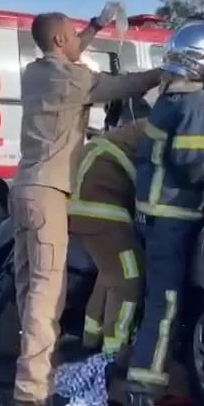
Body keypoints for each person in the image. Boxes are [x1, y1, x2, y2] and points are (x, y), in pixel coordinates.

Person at [9, 5, 162, 406]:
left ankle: (32, 367)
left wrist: (97, 25)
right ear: (60, 39)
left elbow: (71, 51)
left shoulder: (35, 73)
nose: (79, 41)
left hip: (20, 188)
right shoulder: (73, 80)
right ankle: (31, 391)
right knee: (47, 292)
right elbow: (124, 84)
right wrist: (167, 73)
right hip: (48, 194)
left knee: (27, 289)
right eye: (73, 35)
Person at [117, 21, 204, 406]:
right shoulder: (197, 101)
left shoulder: (167, 97)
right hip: (173, 219)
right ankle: (139, 404)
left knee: (155, 308)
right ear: (201, 61)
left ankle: (147, 381)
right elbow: (190, 163)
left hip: (151, 217)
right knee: (163, 312)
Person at [67, 119, 148, 356]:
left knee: (110, 273)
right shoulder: (155, 132)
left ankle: (91, 338)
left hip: (83, 208)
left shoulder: (129, 134)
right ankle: (115, 350)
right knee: (129, 278)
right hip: (103, 209)